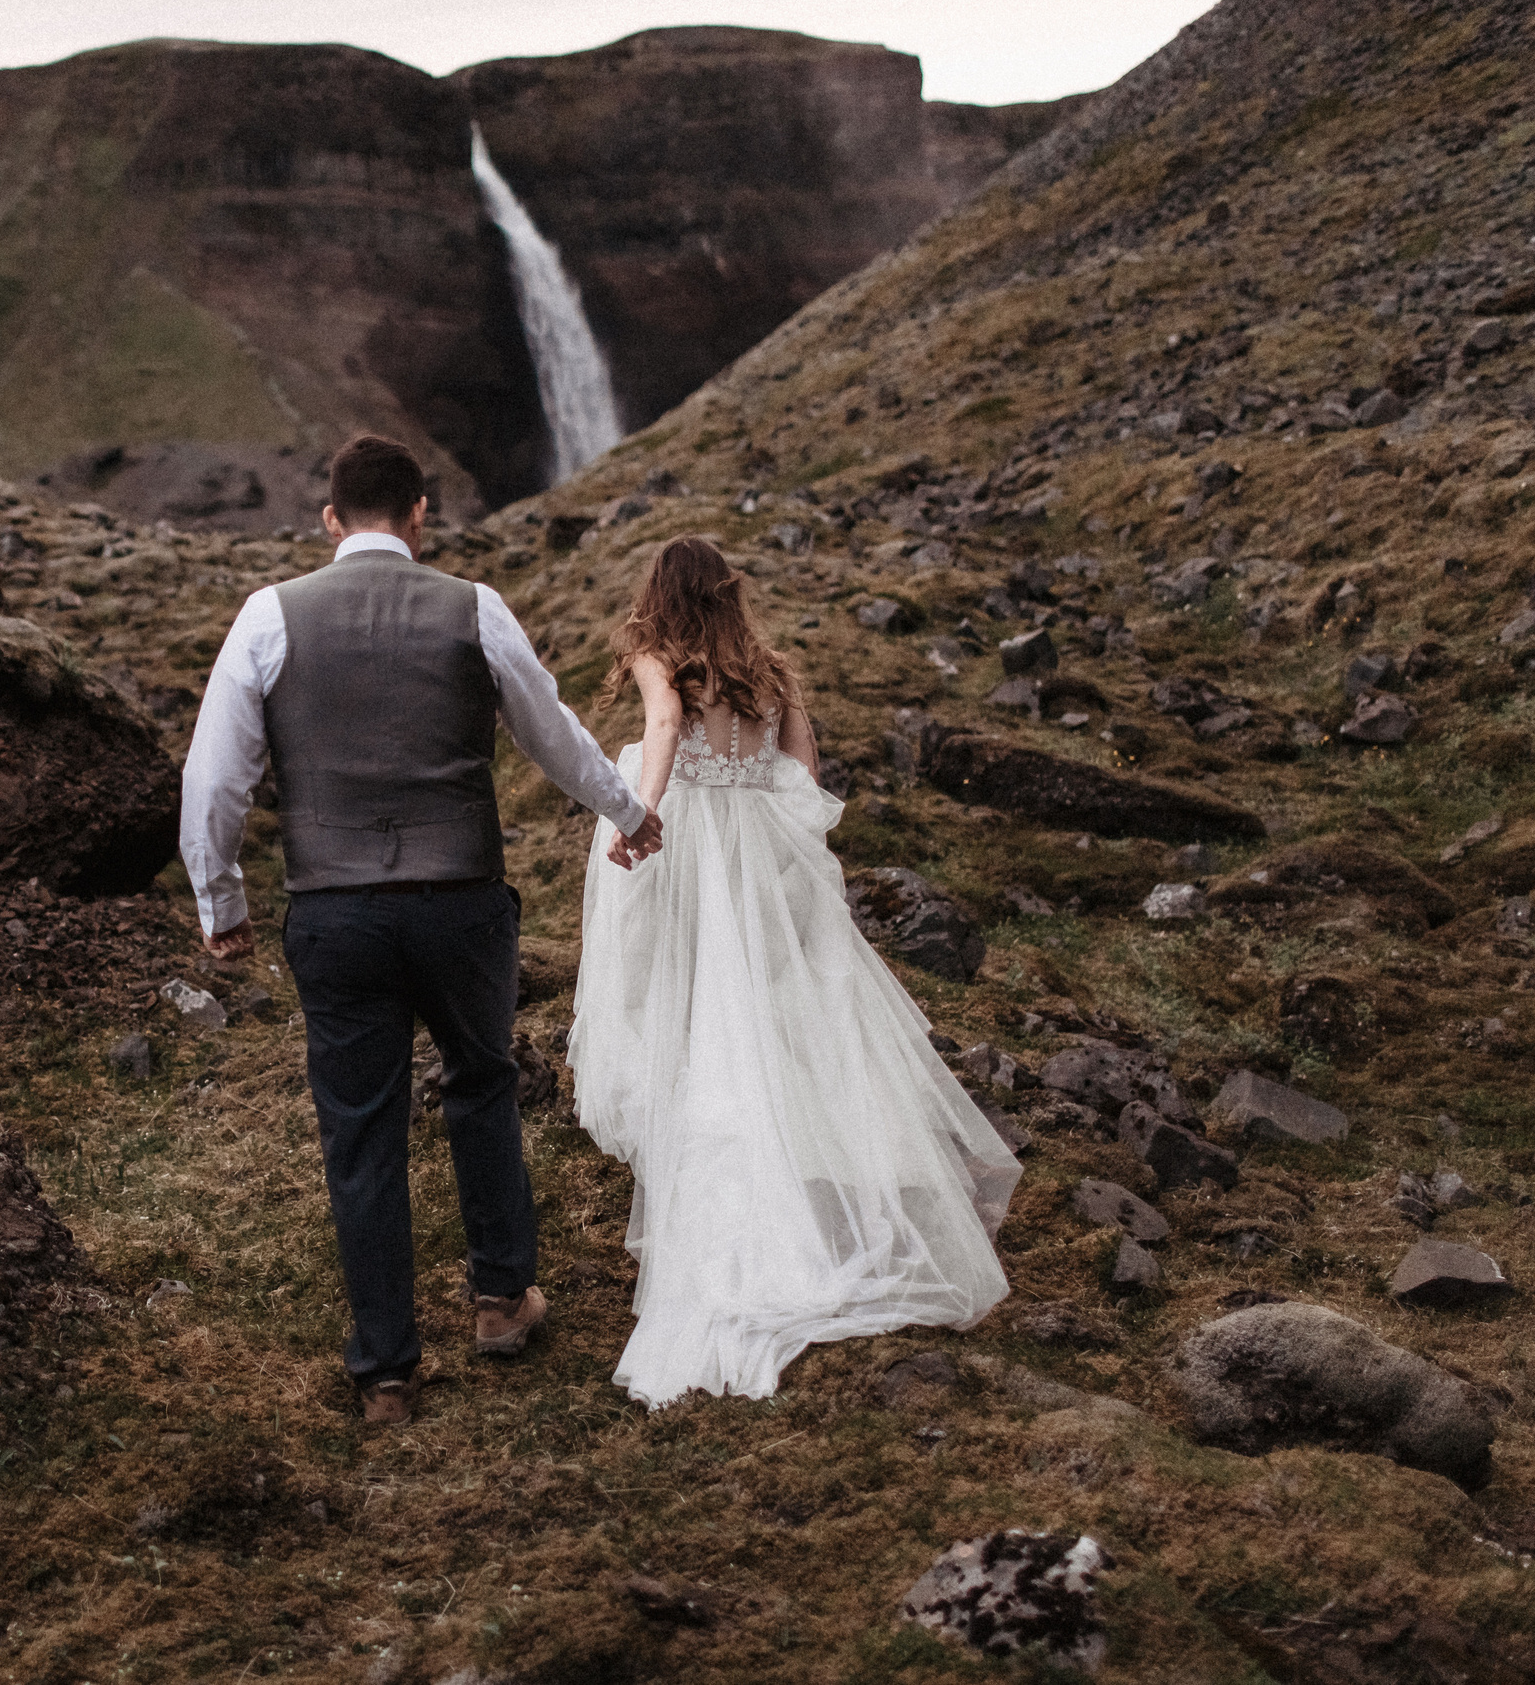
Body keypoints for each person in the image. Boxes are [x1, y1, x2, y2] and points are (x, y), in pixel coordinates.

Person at [181, 433, 661, 1424]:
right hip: (459, 903)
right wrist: (627, 810)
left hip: (333, 909)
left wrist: (220, 904)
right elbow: (550, 731)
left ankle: (386, 1372)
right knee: (481, 1084)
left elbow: (214, 779)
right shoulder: (470, 607)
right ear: (420, 514)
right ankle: (498, 1298)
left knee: (359, 1132)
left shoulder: (267, 617)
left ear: (328, 520)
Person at [569, 535, 1018, 1408]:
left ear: (661, 597)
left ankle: (723, 1208)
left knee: (690, 1009)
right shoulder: (770, 671)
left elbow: (662, 729)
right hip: (753, 857)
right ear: (730, 596)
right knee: (757, 1018)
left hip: (688, 848)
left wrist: (640, 814)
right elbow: (804, 774)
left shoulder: (665, 660)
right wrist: (779, 854)